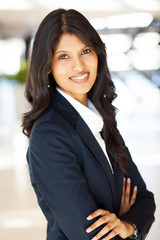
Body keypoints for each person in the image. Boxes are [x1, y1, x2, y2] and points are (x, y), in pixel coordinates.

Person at [22, 8, 155, 240]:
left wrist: (127, 225)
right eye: (63, 56)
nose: (79, 66)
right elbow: (89, 235)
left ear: (98, 54)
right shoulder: (50, 133)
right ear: (47, 66)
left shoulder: (101, 119)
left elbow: (144, 198)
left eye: (85, 51)